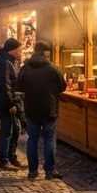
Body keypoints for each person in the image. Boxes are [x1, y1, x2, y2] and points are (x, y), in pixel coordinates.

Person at [15, 40, 67, 179]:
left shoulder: (26, 68)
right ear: (46, 53)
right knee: (49, 138)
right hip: (49, 108)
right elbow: (63, 87)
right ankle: (50, 170)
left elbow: (19, 86)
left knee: (32, 139)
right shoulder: (53, 68)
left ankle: (32, 171)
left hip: (31, 108)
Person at [0, 37, 23, 171]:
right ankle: (3, 161)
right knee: (7, 132)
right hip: (5, 102)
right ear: (13, 50)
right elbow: (4, 84)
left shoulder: (8, 61)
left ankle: (11, 157)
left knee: (15, 129)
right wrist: (9, 103)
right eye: (19, 49)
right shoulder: (4, 63)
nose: (20, 52)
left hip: (9, 101)